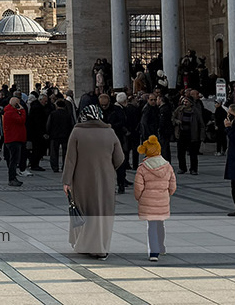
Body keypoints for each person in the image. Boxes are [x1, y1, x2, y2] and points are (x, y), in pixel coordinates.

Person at [63, 104, 125, 259]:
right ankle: (100, 248)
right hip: (105, 180)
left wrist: (66, 181)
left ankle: (83, 244)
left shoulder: (77, 132)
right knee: (102, 212)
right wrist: (107, 168)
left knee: (83, 212)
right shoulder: (110, 132)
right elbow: (120, 158)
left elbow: (70, 159)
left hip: (81, 180)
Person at [132, 135, 175, 262]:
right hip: (162, 200)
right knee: (160, 224)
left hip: (148, 201)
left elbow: (138, 187)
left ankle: (153, 252)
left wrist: (138, 198)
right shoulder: (167, 166)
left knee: (151, 226)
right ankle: (161, 247)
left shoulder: (142, 168)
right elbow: (172, 185)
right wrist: (168, 194)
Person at [172, 94, 205, 176]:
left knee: (193, 153)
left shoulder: (196, 111)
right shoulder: (179, 110)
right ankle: (182, 168)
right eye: (184, 101)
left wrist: (201, 136)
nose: (185, 103)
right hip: (181, 133)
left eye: (187, 101)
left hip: (192, 134)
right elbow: (173, 117)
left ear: (191, 103)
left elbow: (201, 124)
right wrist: (176, 121)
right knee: (181, 152)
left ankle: (193, 169)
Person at [2, 96, 27, 187]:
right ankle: (12, 178)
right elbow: (21, 120)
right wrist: (22, 111)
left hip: (15, 138)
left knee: (14, 159)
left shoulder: (10, 112)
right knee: (14, 160)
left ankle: (13, 177)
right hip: (14, 139)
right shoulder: (10, 113)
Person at [47, 98, 74, 172]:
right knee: (65, 152)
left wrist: (48, 133)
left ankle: (55, 167)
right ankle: (64, 166)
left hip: (54, 135)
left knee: (54, 152)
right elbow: (72, 124)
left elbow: (48, 125)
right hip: (65, 135)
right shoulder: (68, 114)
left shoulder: (53, 114)